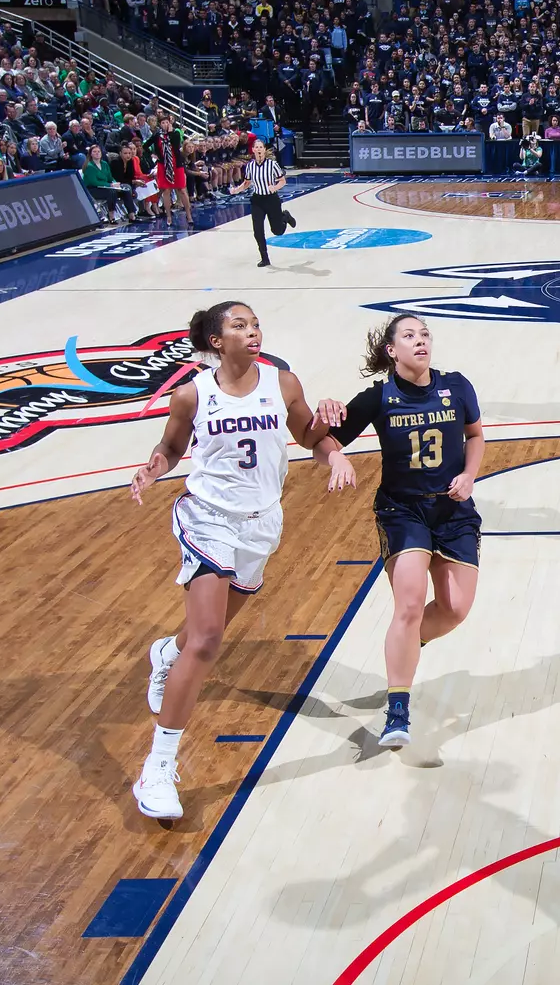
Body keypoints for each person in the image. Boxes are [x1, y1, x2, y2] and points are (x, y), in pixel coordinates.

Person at [132, 302, 355, 820]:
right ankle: (158, 767)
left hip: (261, 523)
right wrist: (153, 468)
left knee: (200, 638)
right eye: (239, 325)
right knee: (208, 640)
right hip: (207, 517)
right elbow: (169, 446)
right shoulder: (193, 394)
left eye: (255, 324)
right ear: (215, 340)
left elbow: (308, 437)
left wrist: (336, 453)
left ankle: (167, 654)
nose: (253, 332)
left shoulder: (283, 383)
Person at [315, 315, 485, 748]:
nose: (420, 341)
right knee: (408, 604)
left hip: (453, 510)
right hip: (402, 510)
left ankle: (411, 643)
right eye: (409, 336)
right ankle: (397, 711)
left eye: (424, 334)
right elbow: (324, 439)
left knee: (455, 609)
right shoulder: (378, 398)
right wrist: (333, 448)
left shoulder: (458, 385)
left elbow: (476, 435)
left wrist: (469, 474)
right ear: (392, 351)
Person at [230, 139, 298, 267]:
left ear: (264, 150)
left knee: (277, 231)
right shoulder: (250, 166)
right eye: (257, 147)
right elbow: (247, 183)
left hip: (271, 199)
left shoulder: (272, 165)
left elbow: (282, 181)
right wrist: (236, 190)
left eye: (261, 147)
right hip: (257, 200)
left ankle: (285, 216)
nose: (259, 149)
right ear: (253, 150)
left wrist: (275, 187)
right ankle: (264, 257)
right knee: (258, 230)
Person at [152, 114, 192, 225]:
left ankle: (189, 215)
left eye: (167, 122)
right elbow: (149, 146)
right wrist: (157, 156)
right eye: (163, 123)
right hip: (164, 165)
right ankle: (169, 216)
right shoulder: (157, 136)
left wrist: (169, 133)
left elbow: (176, 145)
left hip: (177, 164)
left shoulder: (175, 133)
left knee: (182, 190)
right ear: (160, 124)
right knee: (166, 191)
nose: (165, 124)